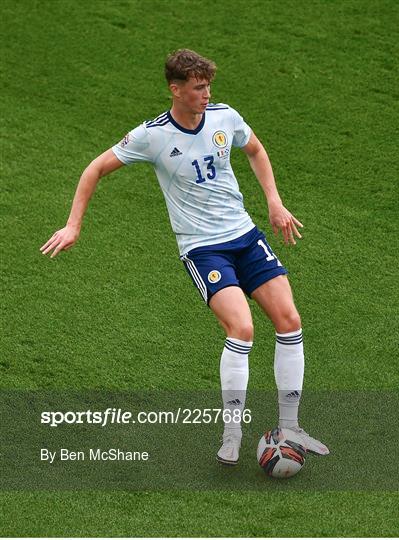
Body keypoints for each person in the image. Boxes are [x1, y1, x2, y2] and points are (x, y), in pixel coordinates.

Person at [41, 49, 329, 465]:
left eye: (208, 86)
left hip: (245, 237)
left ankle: (291, 426)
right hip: (203, 248)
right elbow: (95, 169)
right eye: (198, 88)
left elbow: (256, 151)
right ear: (175, 90)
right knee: (242, 328)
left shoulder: (225, 116)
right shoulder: (151, 136)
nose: (206, 94)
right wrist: (73, 225)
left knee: (290, 321)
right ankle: (232, 432)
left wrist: (274, 201)